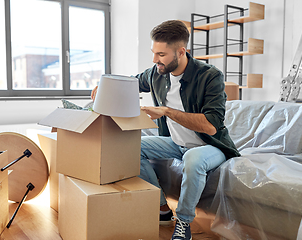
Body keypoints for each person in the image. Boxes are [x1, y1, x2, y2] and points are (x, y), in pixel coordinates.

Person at [92, 20, 240, 240]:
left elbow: (210, 125)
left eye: (161, 54)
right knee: (129, 147)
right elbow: (130, 83)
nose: (155, 60)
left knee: (193, 160)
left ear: (181, 52)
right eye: (154, 53)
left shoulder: (210, 76)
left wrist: (166, 111)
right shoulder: (156, 73)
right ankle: (162, 208)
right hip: (175, 142)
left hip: (210, 145)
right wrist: (104, 85)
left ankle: (184, 222)